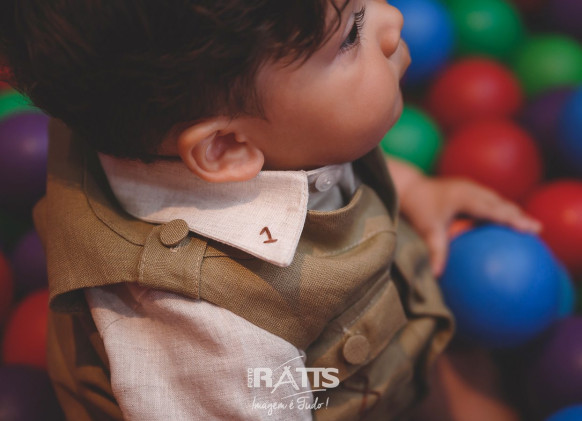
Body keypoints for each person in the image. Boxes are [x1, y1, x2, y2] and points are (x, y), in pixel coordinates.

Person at [0, 0, 540, 420]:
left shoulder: (222, 118)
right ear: (228, 148)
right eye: (351, 34)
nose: (393, 19)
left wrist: (414, 188)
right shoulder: (207, 329)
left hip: (390, 334)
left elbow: (318, 169)